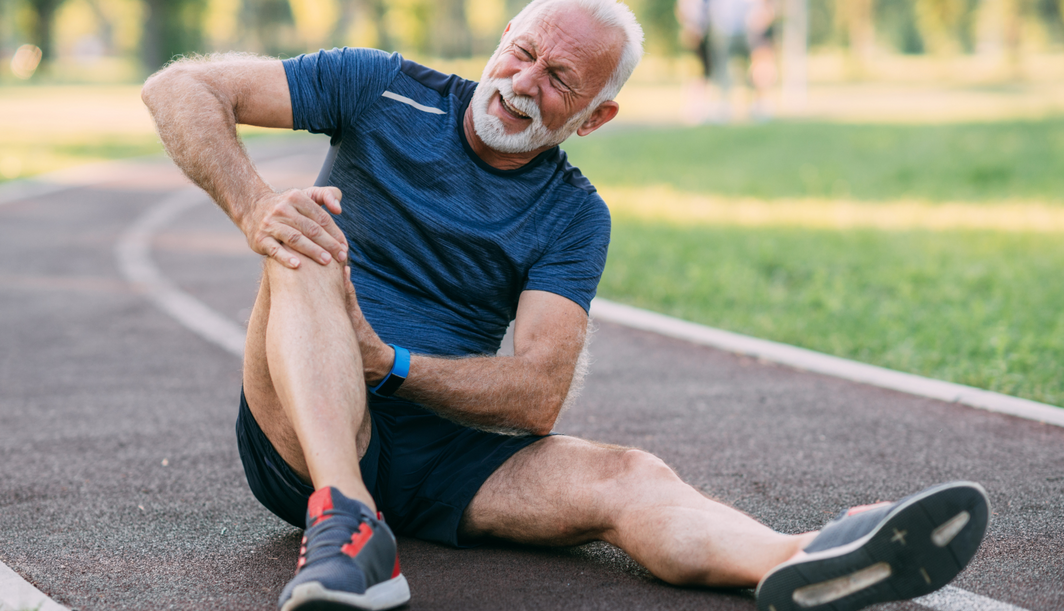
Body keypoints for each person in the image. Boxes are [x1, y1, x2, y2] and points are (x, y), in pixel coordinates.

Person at [140, 1, 990, 610]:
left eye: (558, 80)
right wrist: (255, 206)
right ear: (503, 35)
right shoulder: (379, 87)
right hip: (301, 426)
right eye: (522, 53)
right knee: (305, 239)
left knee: (628, 475)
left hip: (443, 452)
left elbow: (537, 394)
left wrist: (386, 361)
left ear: (594, 116)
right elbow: (177, 92)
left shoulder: (574, 214)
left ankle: (806, 556)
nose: (521, 83)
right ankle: (346, 520)